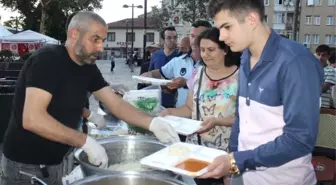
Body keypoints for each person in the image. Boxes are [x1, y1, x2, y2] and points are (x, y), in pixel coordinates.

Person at [0, 11, 179, 185]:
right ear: (74, 34)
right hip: (26, 167)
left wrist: (152, 123)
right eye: (95, 39)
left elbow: (115, 104)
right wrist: (83, 141)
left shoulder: (87, 67)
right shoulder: (48, 60)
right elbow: (32, 118)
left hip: (56, 162)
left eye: (102, 41)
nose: (101, 47)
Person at [200, 0, 324, 185]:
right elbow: (242, 118)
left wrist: (235, 162)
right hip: (243, 176)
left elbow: (300, 139)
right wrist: (233, 165)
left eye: (227, 27)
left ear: (251, 19)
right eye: (219, 29)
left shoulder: (295, 62)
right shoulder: (244, 58)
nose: (222, 36)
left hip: (284, 180)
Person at [161, 27, 241, 185]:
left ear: (225, 49)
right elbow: (190, 109)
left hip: (224, 156)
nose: (205, 54)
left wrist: (218, 121)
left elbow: (246, 118)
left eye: (211, 49)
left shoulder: (240, 77)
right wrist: (169, 112)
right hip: (195, 152)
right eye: (202, 49)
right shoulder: (198, 74)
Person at [148, 26, 178, 108]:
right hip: (157, 101)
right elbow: (150, 78)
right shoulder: (155, 56)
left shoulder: (180, 56)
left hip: (176, 103)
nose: (173, 40)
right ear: (163, 40)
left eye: (175, 37)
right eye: (169, 38)